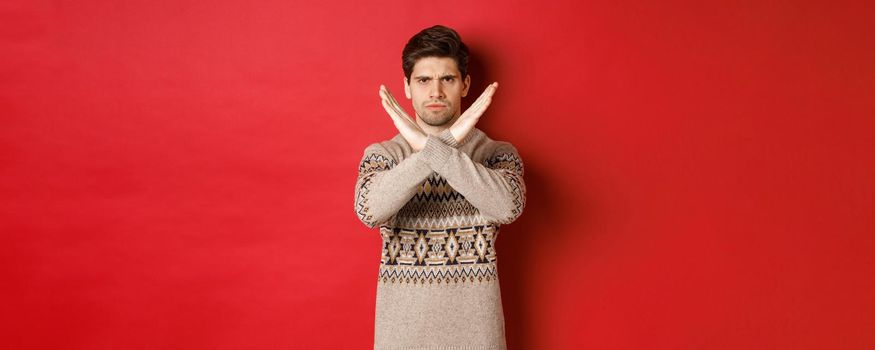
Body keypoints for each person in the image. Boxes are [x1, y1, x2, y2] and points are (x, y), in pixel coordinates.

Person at [354, 24, 526, 350]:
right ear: (407, 87)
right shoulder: (384, 155)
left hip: (478, 341)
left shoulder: (497, 154)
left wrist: (431, 146)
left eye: (447, 79)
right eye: (423, 80)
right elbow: (368, 211)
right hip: (400, 341)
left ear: (465, 85)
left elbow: (508, 208)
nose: (435, 92)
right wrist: (434, 148)